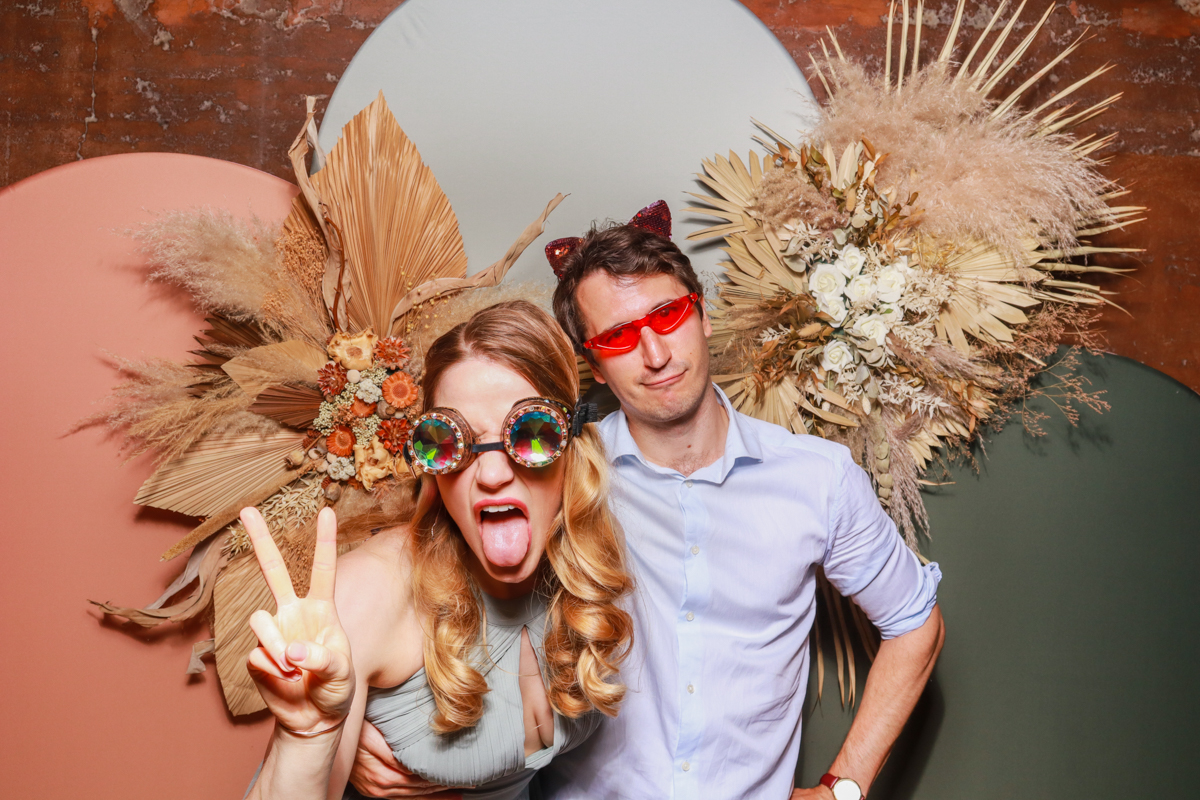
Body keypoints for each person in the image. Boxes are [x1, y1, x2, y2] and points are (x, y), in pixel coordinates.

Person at [349, 204, 945, 800]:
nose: (655, 354)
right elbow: (436, 572)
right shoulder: (558, 477)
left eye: (666, 315)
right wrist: (355, 735)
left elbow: (915, 622)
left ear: (702, 314)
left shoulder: (819, 479)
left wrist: (844, 788)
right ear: (596, 367)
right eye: (618, 337)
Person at [241, 300, 634, 800]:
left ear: (573, 442)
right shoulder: (371, 589)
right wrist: (308, 738)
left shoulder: (582, 570)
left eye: (532, 432)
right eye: (452, 442)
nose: (491, 474)